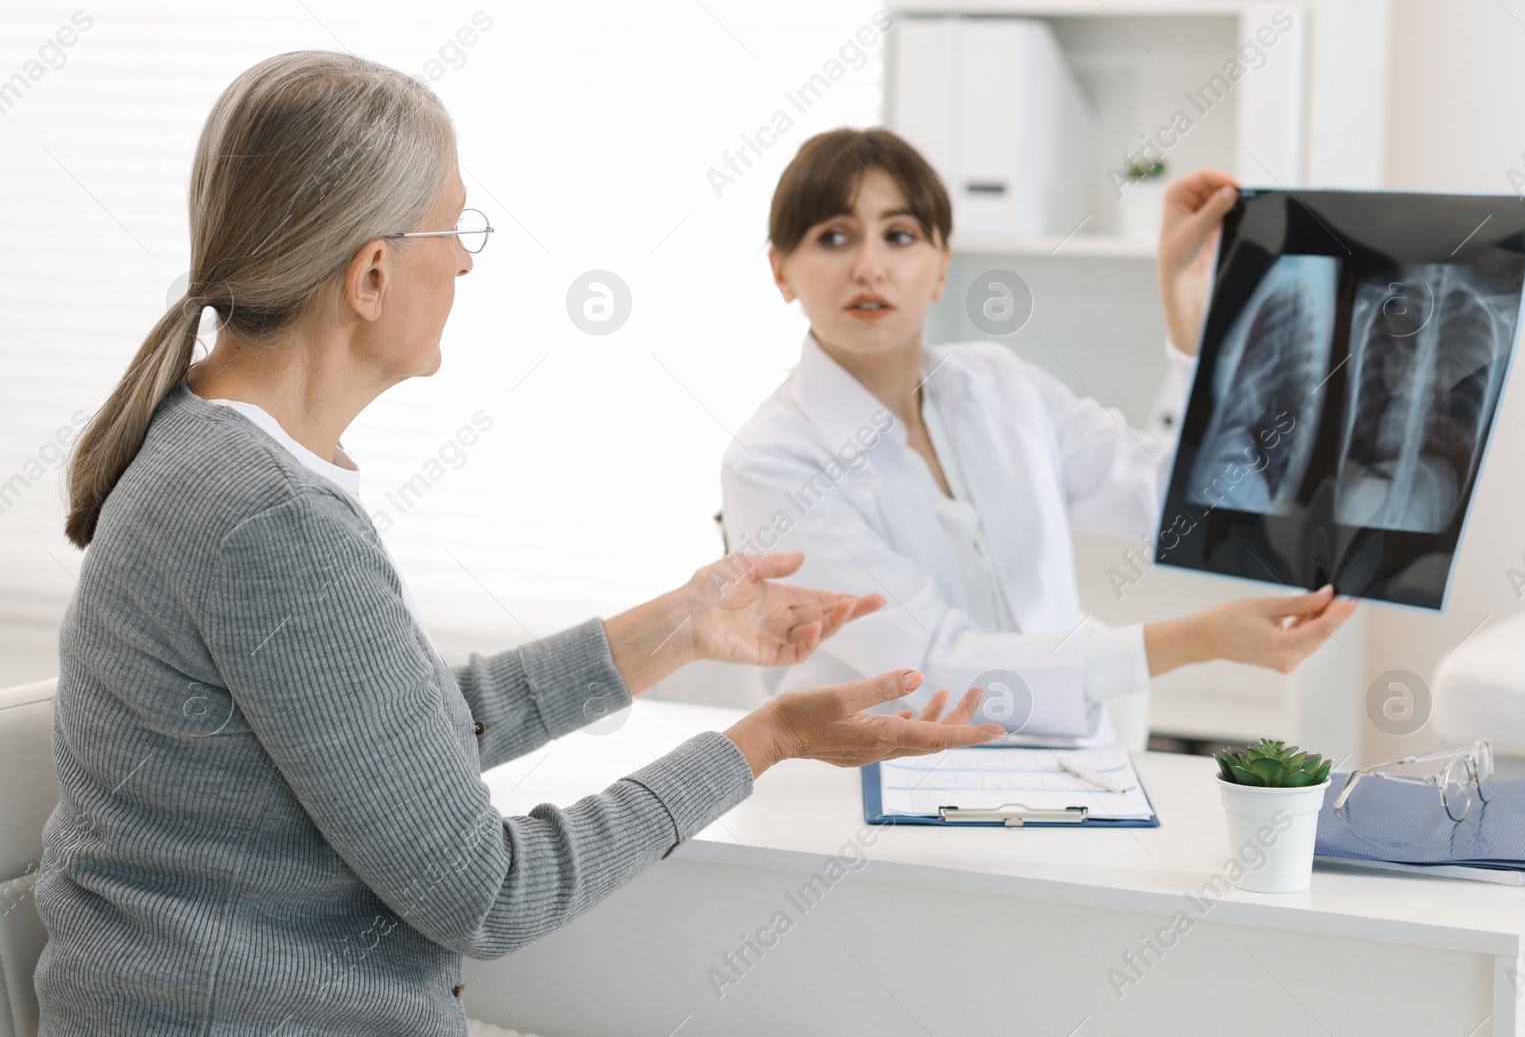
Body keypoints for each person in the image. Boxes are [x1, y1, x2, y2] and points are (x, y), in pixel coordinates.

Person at [39, 54, 1004, 1037]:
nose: (463, 261)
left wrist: (679, 623)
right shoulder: (267, 517)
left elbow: (403, 744)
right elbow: (490, 893)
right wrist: (767, 739)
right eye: (453, 228)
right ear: (371, 273)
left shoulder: (220, 449)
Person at [719, 127, 1358, 742]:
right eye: (833, 237)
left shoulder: (1000, 387)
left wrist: (1192, 334)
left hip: (1060, 778)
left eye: (900, 235)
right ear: (781, 271)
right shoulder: (772, 464)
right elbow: (934, 672)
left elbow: (1182, 498)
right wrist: (1199, 640)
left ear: (940, 266)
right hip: (863, 799)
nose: (869, 266)